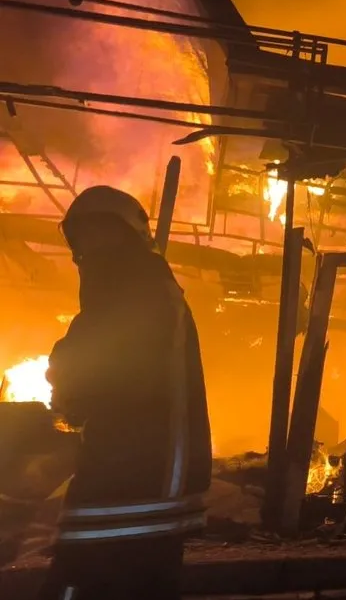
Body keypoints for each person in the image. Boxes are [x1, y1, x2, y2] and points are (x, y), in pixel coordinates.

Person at [38, 186, 211, 600]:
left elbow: (92, 367)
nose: (91, 248)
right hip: (152, 482)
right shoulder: (148, 287)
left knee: (77, 585)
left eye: (102, 233)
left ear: (125, 236)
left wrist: (63, 375)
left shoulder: (133, 289)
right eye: (86, 236)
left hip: (129, 480)